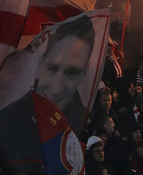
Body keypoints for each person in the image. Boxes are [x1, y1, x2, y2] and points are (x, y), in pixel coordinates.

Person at [0, 15, 96, 173]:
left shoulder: (88, 124)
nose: (56, 88)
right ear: (40, 63)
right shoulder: (6, 122)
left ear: (84, 74)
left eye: (71, 73)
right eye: (52, 69)